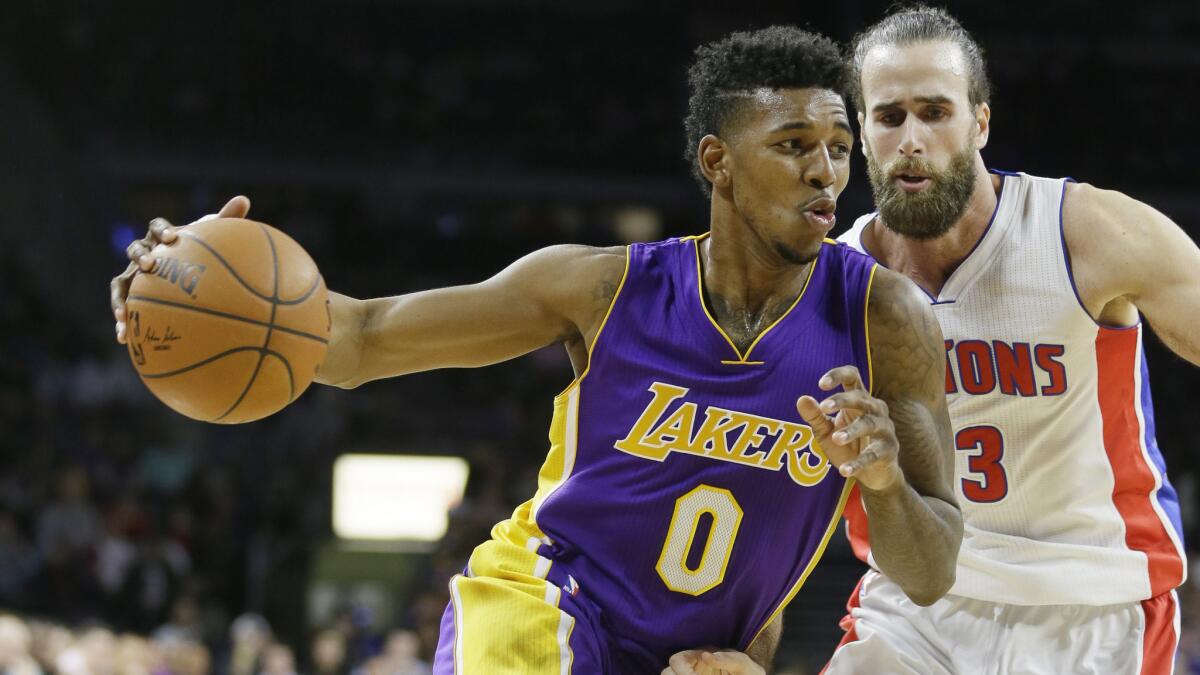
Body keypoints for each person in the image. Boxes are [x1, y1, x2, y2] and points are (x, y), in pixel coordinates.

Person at [110, 27, 963, 674]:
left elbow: (930, 570)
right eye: (793, 146)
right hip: (544, 605)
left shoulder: (886, 320)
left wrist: (883, 480)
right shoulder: (599, 288)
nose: (826, 172)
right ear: (719, 162)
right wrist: (189, 290)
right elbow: (357, 338)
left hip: (704, 655)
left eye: (839, 150)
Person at [822, 6, 1200, 674]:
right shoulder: (830, 284)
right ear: (861, 132)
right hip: (915, 612)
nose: (913, 138)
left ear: (981, 122)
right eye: (890, 116)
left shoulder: (1082, 232)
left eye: (936, 112)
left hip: (1093, 609)